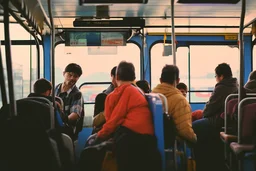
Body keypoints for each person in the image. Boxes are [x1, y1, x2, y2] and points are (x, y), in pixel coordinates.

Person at [89, 61, 160, 171]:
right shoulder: (137, 90)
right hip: (143, 139)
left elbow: (114, 120)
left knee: (89, 152)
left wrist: (99, 136)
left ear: (116, 77)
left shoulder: (127, 91)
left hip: (133, 139)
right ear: (134, 77)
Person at [192, 63, 238, 171]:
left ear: (221, 76)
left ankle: (202, 163)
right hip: (231, 122)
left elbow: (209, 110)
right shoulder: (236, 85)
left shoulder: (221, 87)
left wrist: (204, 114)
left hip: (219, 121)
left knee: (194, 126)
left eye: (216, 76)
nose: (216, 79)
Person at [152, 65, 197, 144]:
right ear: (178, 80)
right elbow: (185, 131)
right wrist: (195, 138)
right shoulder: (180, 100)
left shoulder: (152, 96)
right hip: (171, 141)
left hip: (152, 138)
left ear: (160, 80)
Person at [55, 63, 84, 140]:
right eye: (70, 75)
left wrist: (62, 122)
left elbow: (75, 115)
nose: (72, 78)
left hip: (68, 130)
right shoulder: (55, 89)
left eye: (75, 76)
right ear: (64, 74)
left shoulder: (77, 94)